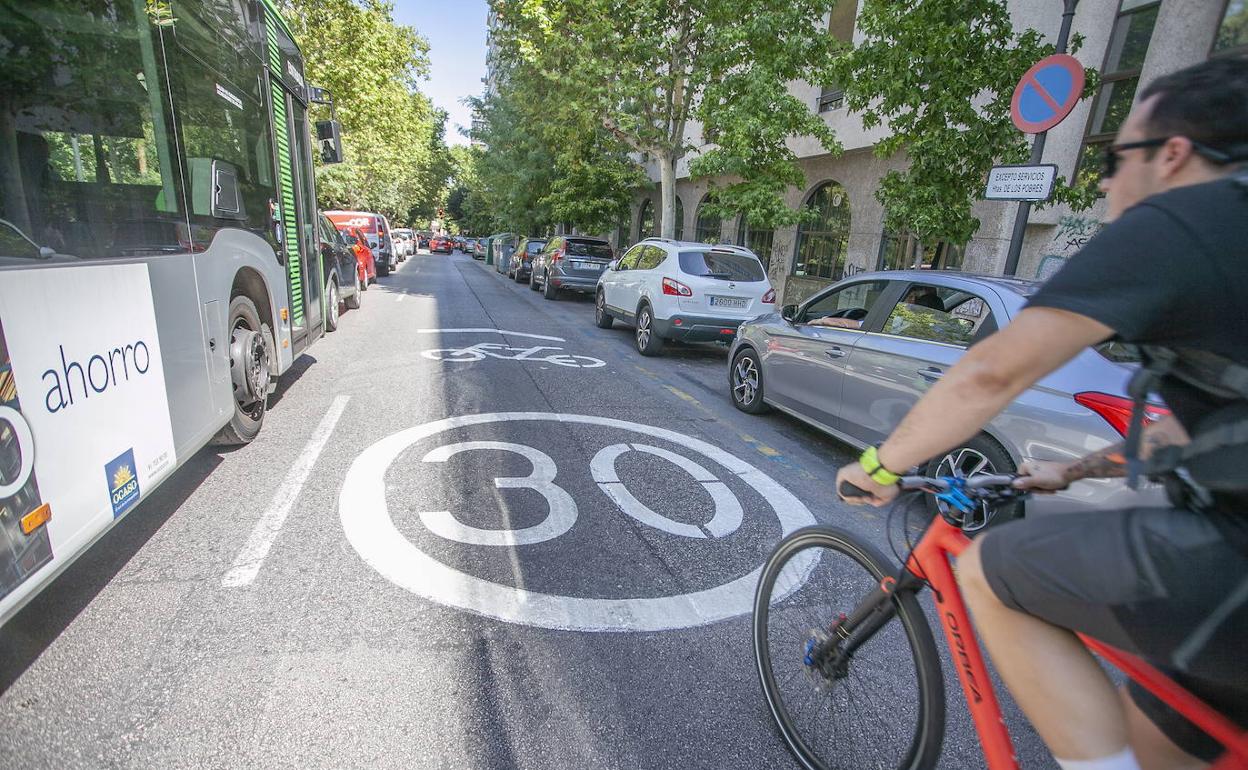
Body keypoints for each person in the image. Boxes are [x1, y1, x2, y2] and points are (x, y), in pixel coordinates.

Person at [835, 57, 1248, 770]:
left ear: (1172, 155)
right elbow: (1197, 425)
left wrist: (879, 465)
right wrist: (1071, 470)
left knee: (989, 569)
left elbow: (993, 370)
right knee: (1165, 734)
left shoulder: (1184, 220)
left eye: (1119, 158)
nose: (1108, 181)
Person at [809, 285, 941, 329]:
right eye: (911, 297)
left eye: (914, 298)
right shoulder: (937, 326)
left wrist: (823, 320)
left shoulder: (902, 322)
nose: (911, 302)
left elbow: (858, 325)